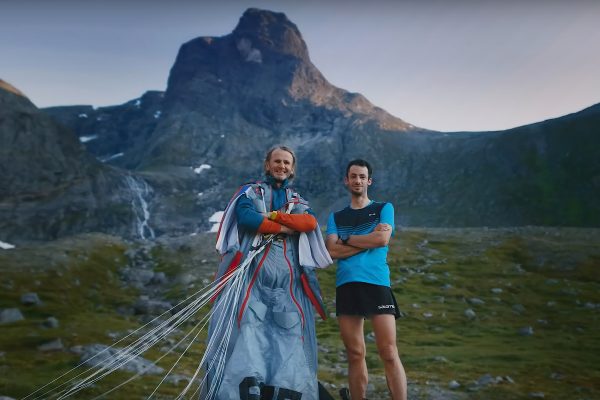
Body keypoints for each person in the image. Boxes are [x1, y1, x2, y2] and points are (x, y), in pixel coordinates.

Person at [206, 146, 332, 400]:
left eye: (287, 162)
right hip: (251, 279)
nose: (282, 166)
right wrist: (287, 228)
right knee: (248, 333)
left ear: (292, 168)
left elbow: (308, 223)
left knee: (287, 338)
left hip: (289, 285)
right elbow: (248, 219)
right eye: (277, 161)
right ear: (267, 165)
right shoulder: (250, 192)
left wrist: (273, 216)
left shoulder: (296, 200)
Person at [325, 159, 407, 400]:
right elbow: (331, 251)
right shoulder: (336, 216)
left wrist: (347, 239)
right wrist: (366, 239)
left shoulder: (384, 208)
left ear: (369, 180)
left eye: (362, 176)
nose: (357, 180)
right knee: (354, 353)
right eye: (353, 176)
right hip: (347, 284)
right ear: (346, 180)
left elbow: (381, 240)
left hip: (377, 283)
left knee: (389, 352)